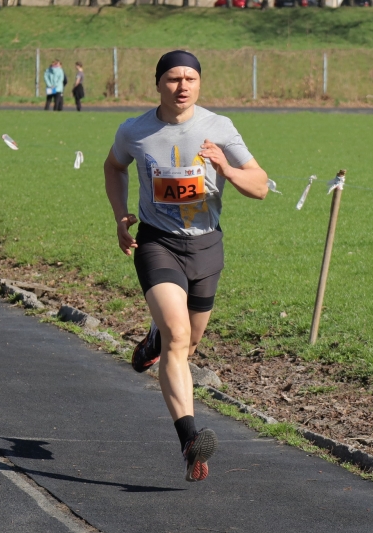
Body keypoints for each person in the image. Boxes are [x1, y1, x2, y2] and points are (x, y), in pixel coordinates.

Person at [103, 50, 268, 482]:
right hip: (158, 243)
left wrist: (226, 167)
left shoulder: (220, 127)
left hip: (206, 246)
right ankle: (190, 439)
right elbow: (114, 167)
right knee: (179, 336)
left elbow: (260, 186)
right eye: (174, 78)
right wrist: (120, 216)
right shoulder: (135, 130)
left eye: (190, 78)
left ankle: (154, 338)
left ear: (199, 83)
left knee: (187, 344)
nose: (182, 86)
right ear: (158, 83)